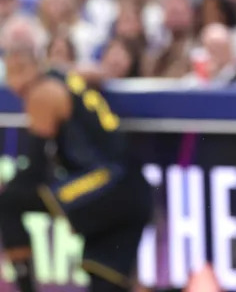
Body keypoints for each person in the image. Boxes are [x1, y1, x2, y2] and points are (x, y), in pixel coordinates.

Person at [0, 15, 152, 292]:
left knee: (9, 201)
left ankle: (24, 286)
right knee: (107, 285)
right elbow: (95, 74)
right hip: (135, 189)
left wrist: (9, 186)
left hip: (109, 185)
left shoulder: (42, 93)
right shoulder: (64, 75)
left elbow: (33, 170)